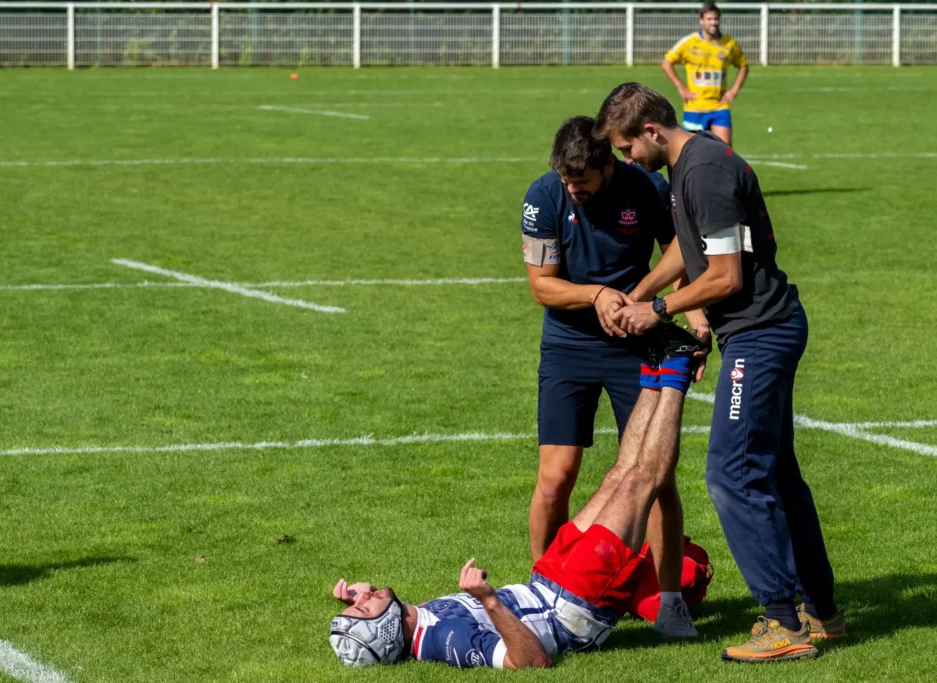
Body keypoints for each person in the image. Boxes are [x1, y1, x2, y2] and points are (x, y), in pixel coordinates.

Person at [595, 82, 845, 663]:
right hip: (759, 330)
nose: (626, 160)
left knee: (732, 473)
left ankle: (783, 622)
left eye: (627, 148)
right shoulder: (690, 163)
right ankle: (821, 611)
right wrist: (638, 294)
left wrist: (658, 310)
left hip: (761, 334)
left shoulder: (703, 172)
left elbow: (726, 276)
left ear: (651, 131)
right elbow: (691, 249)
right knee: (777, 473)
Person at [329, 335, 712, 669]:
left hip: (548, 581)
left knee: (619, 475)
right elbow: (531, 662)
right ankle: (677, 366)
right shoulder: (446, 641)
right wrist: (489, 601)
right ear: (385, 629)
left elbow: (377, 613)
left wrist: (358, 596)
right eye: (364, 608)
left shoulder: (413, 622)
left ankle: (655, 363)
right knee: (638, 483)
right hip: (573, 607)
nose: (365, 597)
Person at [519, 116, 709, 637]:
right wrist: (597, 294)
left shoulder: (646, 188)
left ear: (607, 166)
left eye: (581, 181)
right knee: (556, 477)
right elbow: (541, 286)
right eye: (566, 181)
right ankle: (542, 591)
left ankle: (671, 602)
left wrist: (694, 319)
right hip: (569, 348)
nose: (572, 190)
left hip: (637, 345)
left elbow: (682, 255)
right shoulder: (543, 196)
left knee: (656, 477)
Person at [661, 2, 748, 146]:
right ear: (701, 21)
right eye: (709, 19)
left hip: (719, 105)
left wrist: (733, 91)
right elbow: (666, 63)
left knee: (725, 147)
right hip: (695, 105)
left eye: (716, 19)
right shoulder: (689, 42)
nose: (713, 22)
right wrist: (681, 87)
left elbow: (743, 66)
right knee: (692, 149)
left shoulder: (729, 44)